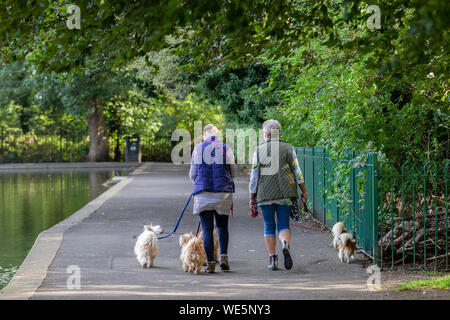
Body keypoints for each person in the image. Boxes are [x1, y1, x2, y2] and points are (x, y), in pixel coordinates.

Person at [249, 119, 307, 271]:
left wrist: (252, 197)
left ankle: (272, 260)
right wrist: (304, 191)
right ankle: (285, 244)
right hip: (285, 193)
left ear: (265, 134)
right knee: (283, 225)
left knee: (269, 226)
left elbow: (254, 175)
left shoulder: (259, 150)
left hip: (265, 194)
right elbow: (297, 172)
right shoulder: (288, 148)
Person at [189, 124, 236, 273]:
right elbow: (232, 172)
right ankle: (224, 258)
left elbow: (193, 174)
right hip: (223, 193)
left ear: (204, 134)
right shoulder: (225, 148)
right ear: (217, 134)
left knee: (207, 229)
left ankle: (210, 263)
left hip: (204, 194)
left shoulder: (198, 148)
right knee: (222, 226)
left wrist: (199, 183)